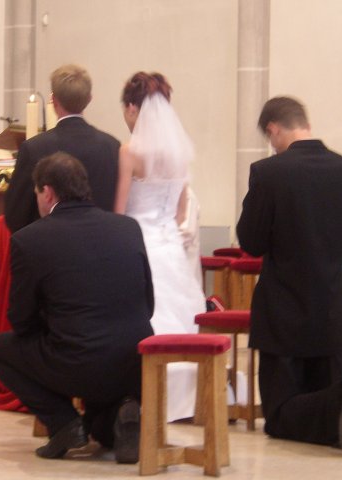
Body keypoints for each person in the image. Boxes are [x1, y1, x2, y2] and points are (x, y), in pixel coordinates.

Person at [0, 152, 154, 463]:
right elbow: (149, 303)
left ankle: (64, 424)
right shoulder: (128, 227)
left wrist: (54, 326)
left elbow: (20, 320)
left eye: (37, 192)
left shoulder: (30, 239)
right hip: (134, 362)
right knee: (102, 432)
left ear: (48, 192)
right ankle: (123, 411)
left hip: (77, 362)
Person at [236, 96, 342, 446]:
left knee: (278, 416)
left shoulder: (269, 172)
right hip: (329, 311)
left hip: (284, 315)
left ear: (273, 129)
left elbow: (251, 241)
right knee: (322, 393)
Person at [116, 71, 206, 422]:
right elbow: (180, 213)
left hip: (139, 244)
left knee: (147, 317)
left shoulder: (129, 152)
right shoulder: (179, 154)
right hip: (170, 248)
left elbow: (119, 212)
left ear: (132, 108)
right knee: (179, 315)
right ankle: (189, 399)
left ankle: (150, 395)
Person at [3, 64, 119, 233]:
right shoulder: (112, 146)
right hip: (102, 242)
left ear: (53, 100)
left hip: (48, 243)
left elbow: (15, 215)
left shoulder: (34, 148)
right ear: (89, 99)